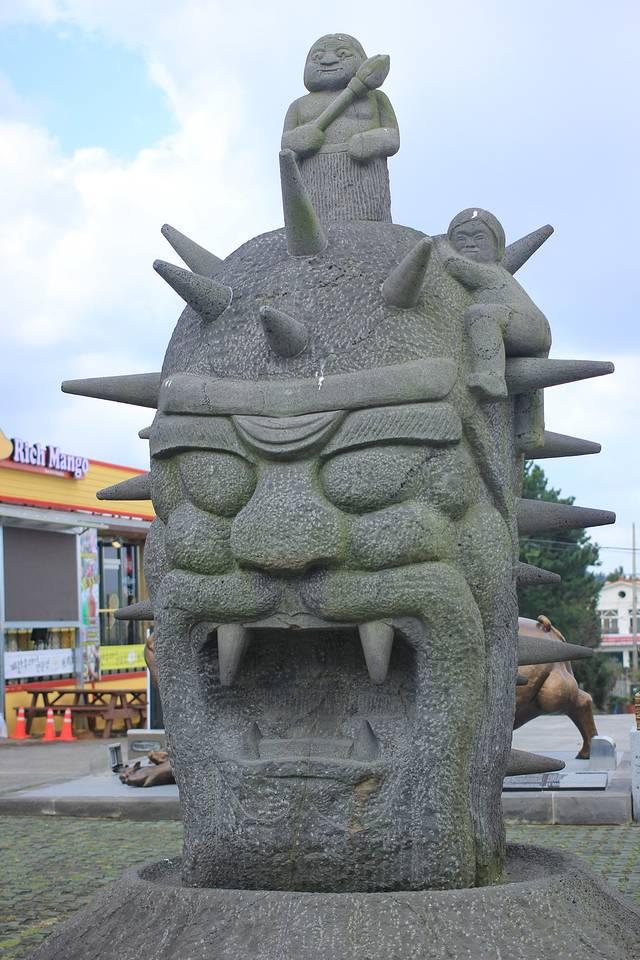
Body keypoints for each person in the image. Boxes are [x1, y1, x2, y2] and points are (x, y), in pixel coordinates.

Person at [440, 208, 552, 445]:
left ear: (497, 247)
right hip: (530, 328)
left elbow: (455, 267)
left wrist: (439, 245)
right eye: (461, 238)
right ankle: (529, 432)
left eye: (479, 237)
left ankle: (491, 376)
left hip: (528, 324)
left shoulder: (491, 271)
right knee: (530, 390)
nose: (470, 244)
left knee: (482, 314)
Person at [281, 33, 399, 222]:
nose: (328, 61)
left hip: (365, 175)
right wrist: (300, 139)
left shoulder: (376, 99)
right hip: (316, 176)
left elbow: (392, 137)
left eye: (342, 54)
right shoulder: (299, 106)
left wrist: (369, 141)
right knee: (321, 224)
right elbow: (286, 146)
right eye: (318, 56)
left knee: (369, 223)